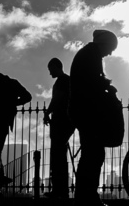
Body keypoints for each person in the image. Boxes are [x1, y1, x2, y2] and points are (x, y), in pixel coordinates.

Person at [69, 29, 118, 206]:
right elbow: (90, 83)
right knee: (94, 154)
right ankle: (88, 196)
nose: (111, 52)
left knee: (91, 153)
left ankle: (85, 195)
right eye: (111, 47)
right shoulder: (91, 55)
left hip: (82, 111)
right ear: (104, 44)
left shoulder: (88, 54)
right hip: (87, 112)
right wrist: (106, 87)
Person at [43, 57, 75, 199]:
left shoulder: (62, 81)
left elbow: (57, 98)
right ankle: (61, 189)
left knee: (57, 156)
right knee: (60, 155)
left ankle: (59, 190)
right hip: (66, 121)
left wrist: (47, 112)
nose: (50, 73)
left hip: (61, 121)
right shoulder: (66, 80)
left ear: (56, 66)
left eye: (51, 70)